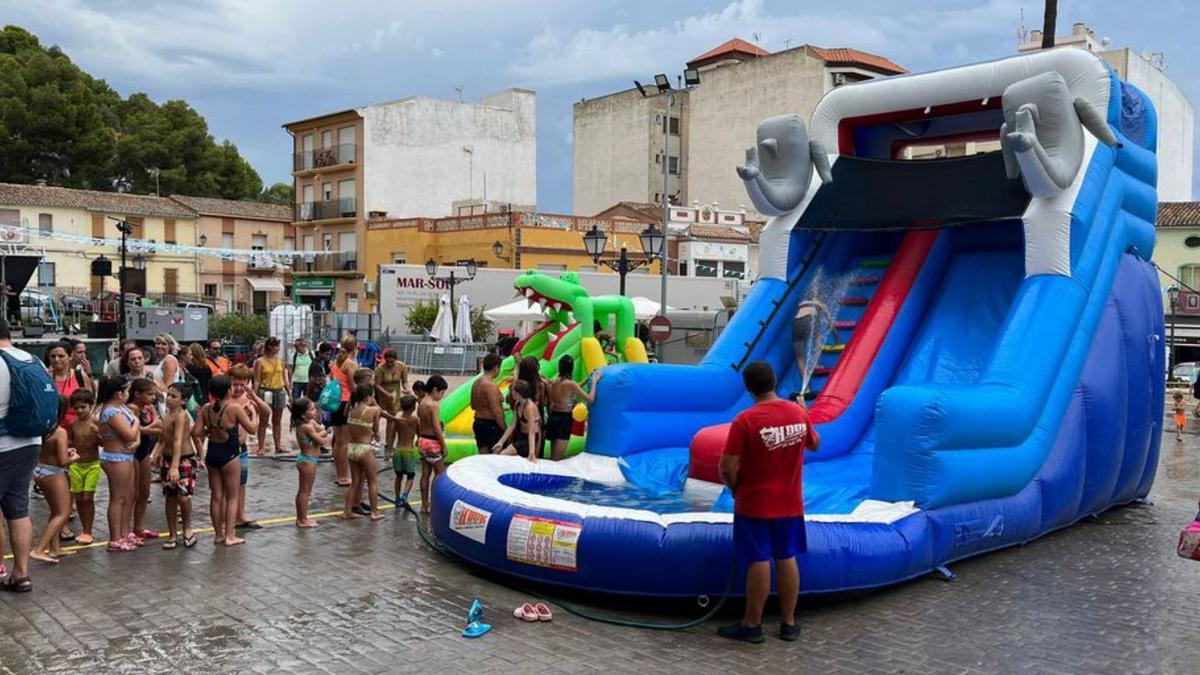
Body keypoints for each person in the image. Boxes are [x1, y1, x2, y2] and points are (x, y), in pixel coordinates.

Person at [717, 361, 819, 644]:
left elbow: (726, 467)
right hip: (790, 502)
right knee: (787, 557)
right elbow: (815, 444)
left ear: (748, 388)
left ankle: (753, 625)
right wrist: (805, 415)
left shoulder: (745, 420)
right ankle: (789, 623)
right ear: (774, 381)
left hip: (755, 504)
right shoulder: (798, 413)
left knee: (759, 559)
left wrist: (736, 489)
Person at [0, 320, 43, 590]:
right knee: (18, 508)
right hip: (30, 442)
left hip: (2, 443)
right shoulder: (31, 359)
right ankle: (21, 573)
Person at [192, 375, 255, 546]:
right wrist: (253, 413)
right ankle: (230, 535)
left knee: (216, 496)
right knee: (232, 497)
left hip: (212, 454)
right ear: (229, 390)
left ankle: (218, 535)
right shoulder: (234, 408)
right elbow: (252, 429)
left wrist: (209, 429)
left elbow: (195, 432)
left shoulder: (206, 408)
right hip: (230, 455)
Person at [96, 374, 141, 552]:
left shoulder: (121, 409)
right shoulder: (110, 412)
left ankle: (124, 532)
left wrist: (136, 439)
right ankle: (115, 537)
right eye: (126, 390)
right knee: (118, 498)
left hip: (126, 456)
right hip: (116, 457)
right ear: (118, 394)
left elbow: (133, 437)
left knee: (129, 495)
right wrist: (137, 422)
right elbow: (129, 434)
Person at [31, 396, 77, 564]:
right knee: (63, 512)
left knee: (55, 510)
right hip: (54, 473)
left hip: (40, 469)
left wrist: (65, 451)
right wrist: (74, 457)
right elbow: (63, 461)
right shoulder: (60, 431)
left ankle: (54, 548)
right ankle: (39, 549)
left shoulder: (41, 427)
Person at [151, 383, 196, 549]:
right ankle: (172, 533)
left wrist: (175, 466)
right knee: (170, 497)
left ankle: (187, 529)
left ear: (183, 400)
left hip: (183, 459)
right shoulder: (167, 414)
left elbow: (177, 440)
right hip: (168, 459)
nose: (169, 399)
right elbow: (164, 438)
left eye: (173, 396)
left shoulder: (181, 416)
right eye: (168, 395)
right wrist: (156, 453)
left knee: (183, 497)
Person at [227, 365, 265, 529]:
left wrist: (254, 398)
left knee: (241, 483)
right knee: (227, 486)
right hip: (227, 448)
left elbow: (267, 411)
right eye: (235, 384)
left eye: (242, 384)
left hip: (242, 449)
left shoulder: (247, 399)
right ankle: (226, 519)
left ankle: (240, 515)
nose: (239, 388)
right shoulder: (225, 399)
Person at [343, 384, 387, 521]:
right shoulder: (373, 410)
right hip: (364, 448)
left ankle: (347, 511)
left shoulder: (350, 410)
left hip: (351, 448)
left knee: (355, 482)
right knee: (372, 481)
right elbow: (376, 429)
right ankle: (374, 511)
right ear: (369, 396)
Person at [546, 356, 600, 461]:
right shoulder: (570, 384)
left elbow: (573, 388)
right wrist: (594, 381)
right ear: (571, 368)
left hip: (553, 418)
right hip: (564, 420)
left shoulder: (555, 381)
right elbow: (590, 399)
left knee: (554, 456)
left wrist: (587, 378)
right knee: (558, 458)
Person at [128, 377, 161, 541]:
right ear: (137, 394)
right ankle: (127, 529)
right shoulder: (132, 408)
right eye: (149, 394)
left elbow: (153, 425)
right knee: (133, 493)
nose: (153, 398)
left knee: (144, 492)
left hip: (144, 452)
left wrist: (153, 424)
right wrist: (154, 429)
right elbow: (137, 430)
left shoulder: (147, 408)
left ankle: (139, 527)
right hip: (133, 452)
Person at [290, 397, 330, 529]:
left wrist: (323, 431)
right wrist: (326, 431)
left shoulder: (311, 422)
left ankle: (302, 517)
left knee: (306, 491)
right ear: (303, 414)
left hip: (310, 460)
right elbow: (320, 440)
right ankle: (302, 519)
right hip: (307, 461)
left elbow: (320, 432)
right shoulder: (305, 427)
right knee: (304, 492)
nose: (315, 411)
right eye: (312, 409)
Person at [67, 390, 100, 545]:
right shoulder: (73, 424)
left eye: (83, 407)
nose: (80, 410)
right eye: (77, 408)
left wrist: (98, 434)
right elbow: (71, 442)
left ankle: (88, 530)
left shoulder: (95, 423)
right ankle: (84, 530)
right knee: (79, 498)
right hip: (76, 465)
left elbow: (105, 443)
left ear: (91, 406)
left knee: (88, 497)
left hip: (92, 464)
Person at [416, 375, 449, 514]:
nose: (441, 396)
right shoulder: (433, 405)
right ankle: (434, 502)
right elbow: (436, 427)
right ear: (435, 390)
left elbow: (420, 423)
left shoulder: (422, 402)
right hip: (433, 442)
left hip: (423, 440)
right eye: (442, 393)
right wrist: (444, 445)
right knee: (440, 473)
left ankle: (424, 504)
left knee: (425, 474)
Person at [252, 336, 290, 455]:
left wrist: (290, 393)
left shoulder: (280, 361)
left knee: (277, 421)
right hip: (265, 391)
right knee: (264, 421)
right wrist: (254, 395)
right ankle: (261, 446)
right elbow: (257, 380)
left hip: (279, 391)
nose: (278, 348)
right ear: (270, 347)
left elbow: (285, 379)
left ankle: (278, 446)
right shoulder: (259, 361)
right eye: (276, 346)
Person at [329, 338, 359, 487]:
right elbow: (354, 387)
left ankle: (339, 474)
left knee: (338, 440)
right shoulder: (351, 364)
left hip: (336, 402)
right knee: (345, 442)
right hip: (346, 402)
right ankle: (344, 476)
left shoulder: (336, 363)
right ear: (355, 347)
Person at [46, 341, 90, 431]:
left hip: (77, 431)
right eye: (53, 356)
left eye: (61, 356)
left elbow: (90, 403)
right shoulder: (43, 378)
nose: (56, 359)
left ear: (70, 357)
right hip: (52, 430)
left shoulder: (80, 376)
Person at [494, 380, 541, 462]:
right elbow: (512, 425)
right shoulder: (518, 404)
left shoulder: (529, 408)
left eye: (513, 390)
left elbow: (532, 432)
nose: (511, 392)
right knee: (505, 454)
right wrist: (500, 442)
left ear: (518, 393)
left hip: (530, 439)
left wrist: (532, 453)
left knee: (504, 454)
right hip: (522, 436)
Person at [470, 354, 506, 455]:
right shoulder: (491, 386)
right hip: (490, 425)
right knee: (496, 457)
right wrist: (505, 430)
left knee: (483, 456)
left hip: (478, 422)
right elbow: (497, 413)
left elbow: (473, 405)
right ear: (496, 368)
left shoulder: (476, 383)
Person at [376, 348, 408, 455]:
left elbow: (405, 381)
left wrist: (407, 388)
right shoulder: (380, 368)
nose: (389, 364)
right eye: (387, 361)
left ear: (396, 360)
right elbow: (376, 384)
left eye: (392, 362)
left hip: (395, 396)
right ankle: (374, 437)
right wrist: (386, 394)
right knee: (376, 416)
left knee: (391, 419)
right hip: (382, 395)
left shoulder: (401, 366)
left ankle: (388, 444)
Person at [391, 395, 420, 503]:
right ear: (413, 408)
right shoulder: (415, 420)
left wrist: (388, 449)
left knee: (398, 476)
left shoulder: (397, 420)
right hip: (409, 451)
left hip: (398, 450)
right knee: (410, 476)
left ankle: (397, 498)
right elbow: (420, 434)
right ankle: (404, 496)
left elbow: (392, 435)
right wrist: (418, 442)